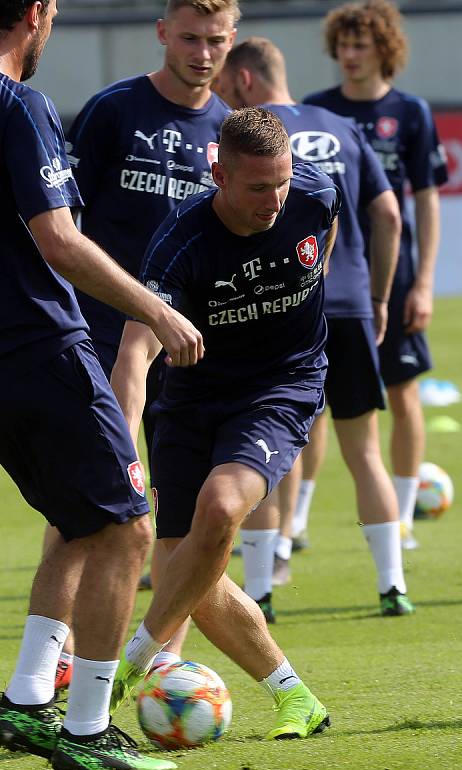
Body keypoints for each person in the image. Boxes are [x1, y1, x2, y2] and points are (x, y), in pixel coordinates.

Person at [0, 0, 204, 770]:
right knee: (126, 527)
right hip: (38, 349)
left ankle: (25, 700)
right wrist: (156, 310)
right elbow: (57, 238)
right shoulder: (20, 104)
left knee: (76, 518)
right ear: (34, 14)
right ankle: (86, 729)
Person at [109, 107, 337, 740]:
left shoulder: (315, 191)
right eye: (258, 186)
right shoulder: (179, 243)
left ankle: (130, 662)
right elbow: (135, 351)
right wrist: (120, 447)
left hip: (281, 388)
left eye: (282, 181)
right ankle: (296, 697)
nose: (274, 200)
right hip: (187, 403)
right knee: (188, 568)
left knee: (221, 505)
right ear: (218, 173)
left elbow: (324, 236)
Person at [49, 0, 239, 687]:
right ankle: (63, 652)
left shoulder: (229, 132)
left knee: (179, 515)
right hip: (98, 335)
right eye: (189, 37)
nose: (202, 52)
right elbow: (64, 224)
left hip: (187, 349)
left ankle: (163, 660)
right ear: (163, 33)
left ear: (233, 40)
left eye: (216, 39)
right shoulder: (115, 111)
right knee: (93, 499)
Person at [215, 37, 413, 617]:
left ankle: (260, 592)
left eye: (226, 85)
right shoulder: (341, 124)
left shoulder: (249, 135)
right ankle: (393, 586)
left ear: (246, 81)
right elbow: (390, 216)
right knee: (365, 452)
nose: (221, 95)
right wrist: (377, 296)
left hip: (284, 311)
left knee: (266, 451)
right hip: (351, 306)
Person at [303, 0, 448, 550]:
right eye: (342, 46)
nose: (349, 56)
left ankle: (404, 516)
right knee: (311, 401)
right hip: (325, 280)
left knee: (403, 393)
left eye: (360, 45)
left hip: (393, 276)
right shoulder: (316, 110)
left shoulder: (410, 113)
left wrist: (425, 282)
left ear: (384, 49)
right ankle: (295, 523)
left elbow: (426, 203)